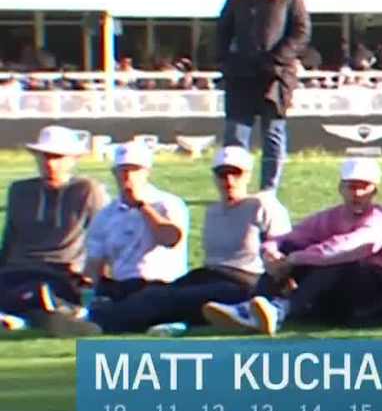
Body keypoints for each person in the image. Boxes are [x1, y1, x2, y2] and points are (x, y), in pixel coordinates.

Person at [42, 147, 290, 336]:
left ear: (247, 175)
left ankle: (95, 322)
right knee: (160, 296)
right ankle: (88, 316)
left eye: (236, 174)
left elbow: (283, 247)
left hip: (245, 280)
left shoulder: (262, 205)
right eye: (222, 174)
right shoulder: (214, 211)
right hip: (209, 274)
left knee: (162, 299)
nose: (229, 181)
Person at [202, 158, 382, 335]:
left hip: (377, 294)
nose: (357, 193)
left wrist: (294, 260)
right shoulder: (331, 216)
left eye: (364, 187)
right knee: (293, 248)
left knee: (338, 260)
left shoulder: (379, 220)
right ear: (340, 188)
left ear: (374, 191)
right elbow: (289, 238)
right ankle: (255, 306)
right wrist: (272, 254)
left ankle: (279, 310)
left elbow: (347, 247)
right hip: (341, 292)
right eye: (352, 186)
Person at [216, 0, 309, 192]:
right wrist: (225, 60)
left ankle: (269, 189)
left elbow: (301, 31)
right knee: (236, 136)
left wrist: (278, 58)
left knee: (273, 135)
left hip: (274, 75)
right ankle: (234, 187)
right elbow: (223, 27)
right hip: (241, 75)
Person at [0, 126, 107, 330]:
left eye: (57, 157)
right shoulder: (20, 191)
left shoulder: (87, 190)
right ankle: (29, 314)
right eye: (45, 157)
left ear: (72, 160)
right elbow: (10, 238)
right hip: (17, 268)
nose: (50, 164)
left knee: (40, 293)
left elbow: (103, 236)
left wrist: (98, 279)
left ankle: (27, 313)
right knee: (23, 292)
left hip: (62, 271)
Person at [69, 143, 189, 315]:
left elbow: (171, 239)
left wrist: (141, 206)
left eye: (135, 170)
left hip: (161, 285)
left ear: (146, 172)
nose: (128, 176)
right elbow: (95, 263)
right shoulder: (106, 215)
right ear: (115, 173)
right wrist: (86, 289)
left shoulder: (167, 204)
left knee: (136, 306)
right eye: (123, 170)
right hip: (123, 285)